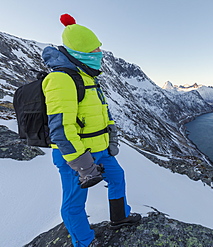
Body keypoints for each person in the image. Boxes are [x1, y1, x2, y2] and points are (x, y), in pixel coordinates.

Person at [41, 13, 141, 247]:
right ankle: (84, 242)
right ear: (80, 52)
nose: (100, 53)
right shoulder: (61, 79)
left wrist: (111, 136)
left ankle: (119, 216)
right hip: (75, 156)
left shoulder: (88, 76)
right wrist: (83, 164)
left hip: (100, 149)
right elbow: (60, 129)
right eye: (94, 49)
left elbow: (102, 112)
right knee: (74, 201)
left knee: (117, 177)